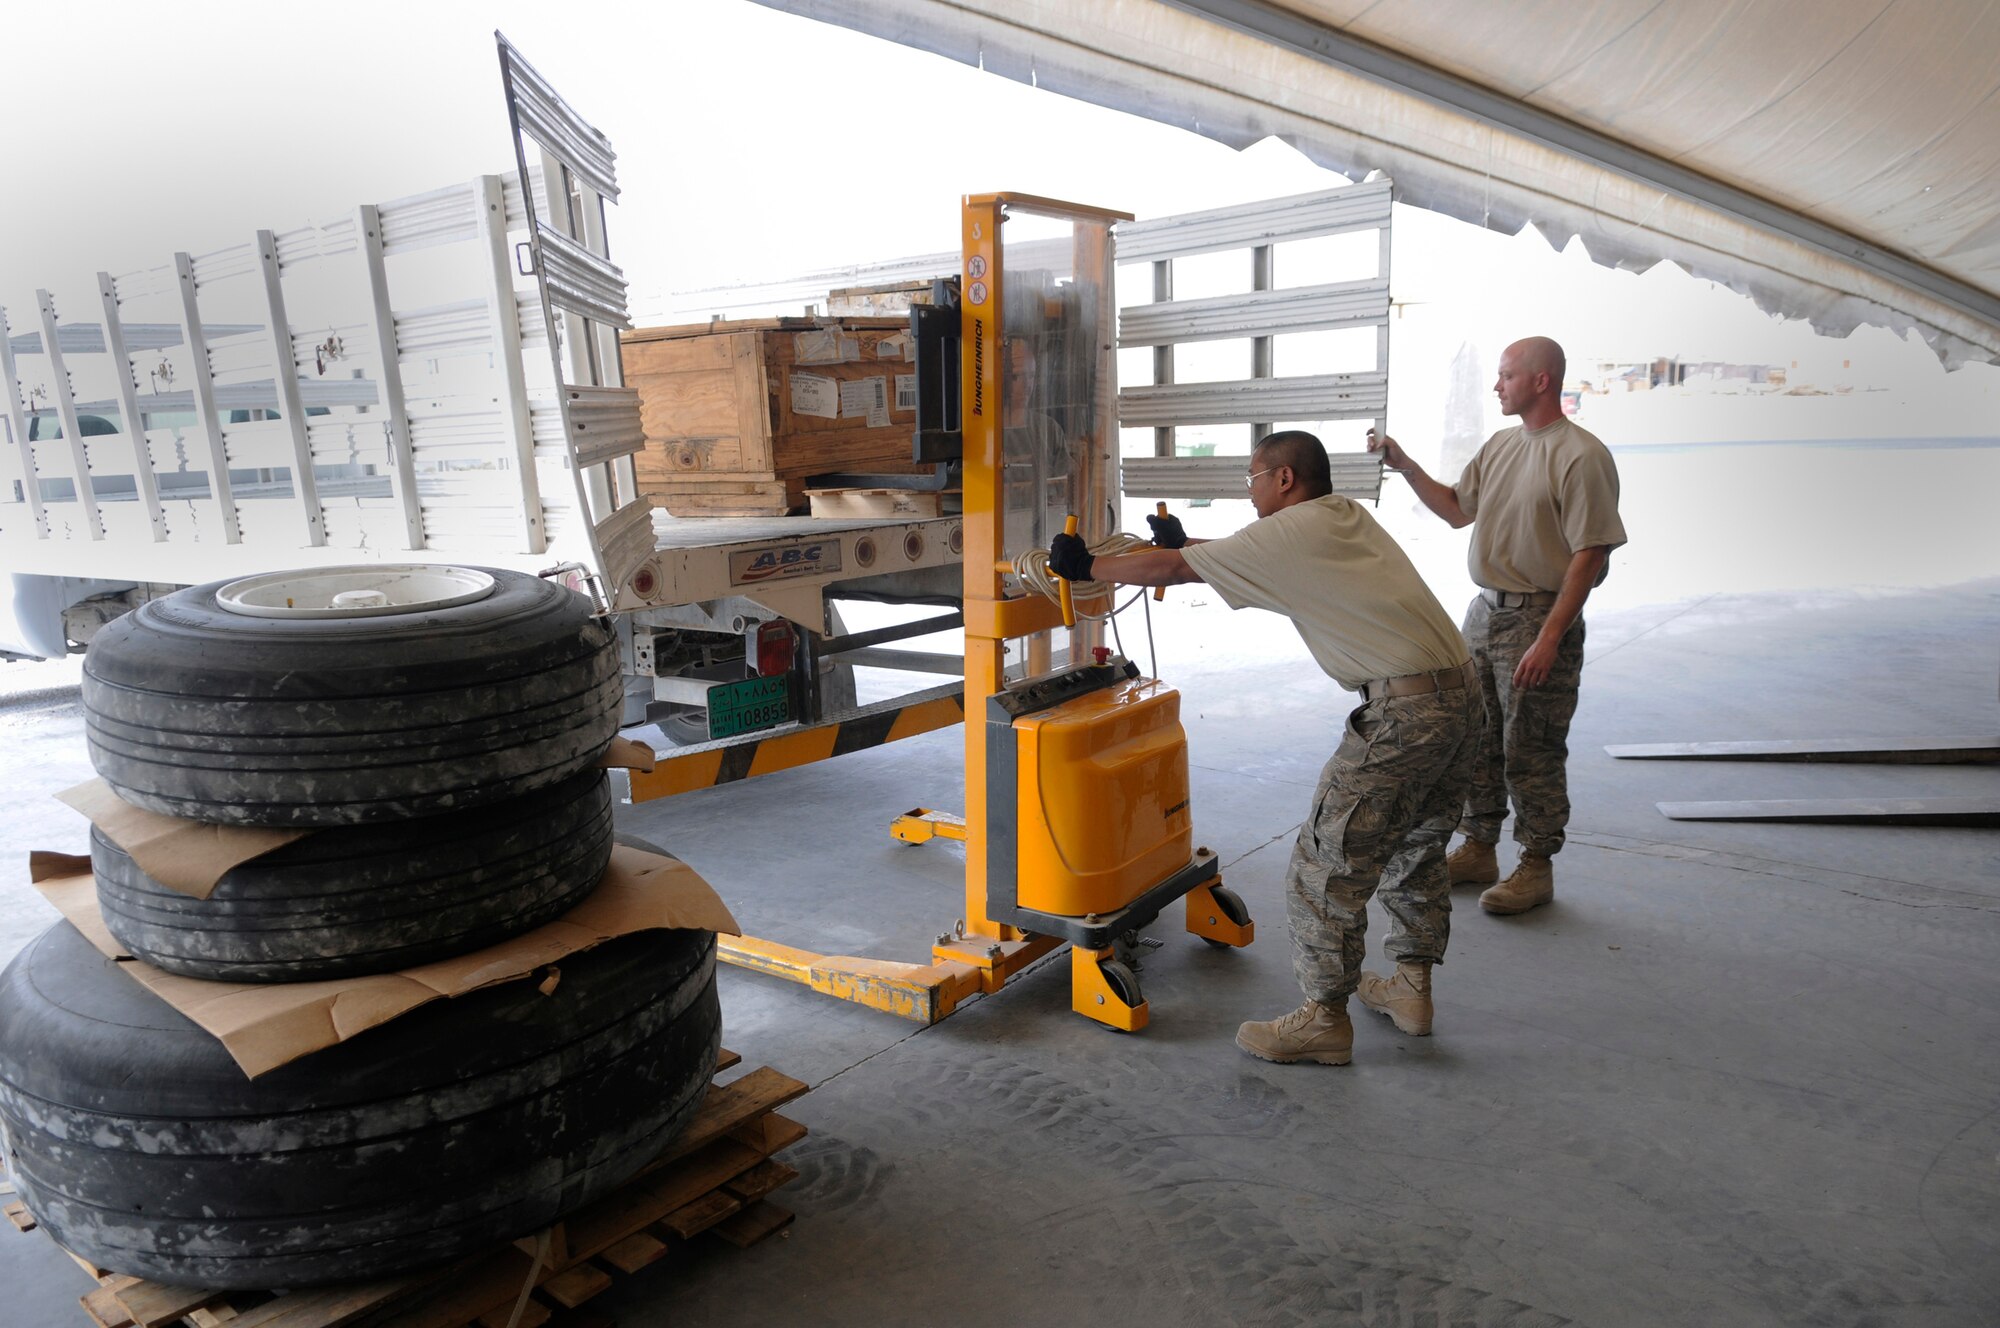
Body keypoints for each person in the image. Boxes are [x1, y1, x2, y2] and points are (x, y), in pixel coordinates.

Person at [1048, 431, 1481, 1066]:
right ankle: (1412, 988)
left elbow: (1174, 570)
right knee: (1416, 844)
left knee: (1324, 861)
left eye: (1253, 478)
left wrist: (1085, 566)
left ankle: (1324, 1020)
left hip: (1405, 711)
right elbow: (1221, 558)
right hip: (1461, 698)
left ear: (1284, 480)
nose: (1249, 491)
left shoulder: (1291, 529)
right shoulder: (1343, 518)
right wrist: (1187, 545)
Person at [1368, 336, 1627, 916]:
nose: (1497, 385)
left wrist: (1551, 637)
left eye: (1507, 376)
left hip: (1539, 615)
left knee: (1530, 745)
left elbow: (1591, 553)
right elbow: (1459, 509)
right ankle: (1479, 845)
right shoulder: (1501, 445)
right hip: (1485, 612)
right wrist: (1406, 467)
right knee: (1477, 737)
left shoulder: (1580, 455)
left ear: (1541, 381)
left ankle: (1536, 865)